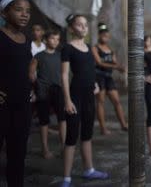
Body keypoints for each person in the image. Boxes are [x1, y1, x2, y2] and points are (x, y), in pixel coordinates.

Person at [60, 14, 108, 187]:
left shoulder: (88, 47)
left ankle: (89, 170)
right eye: (79, 25)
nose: (83, 27)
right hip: (75, 96)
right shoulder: (67, 48)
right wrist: (67, 100)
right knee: (72, 136)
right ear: (72, 28)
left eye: (85, 25)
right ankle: (66, 178)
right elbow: (65, 75)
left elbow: (89, 69)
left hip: (89, 95)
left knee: (87, 134)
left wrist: (95, 83)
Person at [0, 0, 32, 187]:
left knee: (18, 152)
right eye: (18, 9)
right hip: (2, 105)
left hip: (22, 104)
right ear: (4, 13)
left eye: (27, 11)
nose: (24, 14)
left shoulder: (26, 39)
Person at [29, 29, 66, 159]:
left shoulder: (61, 55)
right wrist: (35, 88)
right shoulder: (38, 56)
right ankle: (45, 149)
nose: (55, 41)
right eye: (52, 39)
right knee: (44, 121)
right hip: (43, 91)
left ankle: (63, 147)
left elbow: (64, 74)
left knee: (62, 119)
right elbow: (31, 74)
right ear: (45, 40)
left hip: (59, 90)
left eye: (57, 39)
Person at [92, 22, 128, 135]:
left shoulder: (110, 49)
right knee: (101, 102)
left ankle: (123, 124)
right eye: (102, 34)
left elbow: (115, 62)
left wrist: (121, 67)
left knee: (117, 101)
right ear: (99, 35)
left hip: (108, 77)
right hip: (99, 77)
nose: (105, 36)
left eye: (106, 35)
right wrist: (117, 67)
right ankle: (103, 128)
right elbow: (99, 63)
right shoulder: (95, 48)